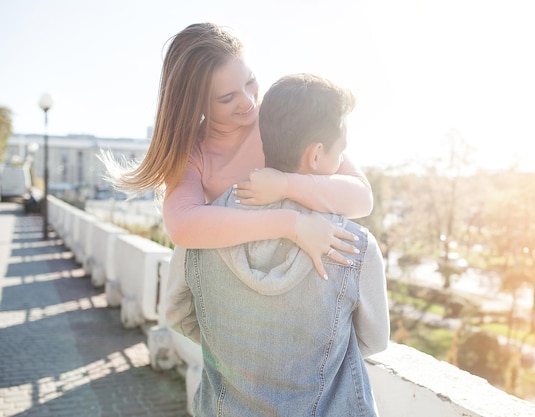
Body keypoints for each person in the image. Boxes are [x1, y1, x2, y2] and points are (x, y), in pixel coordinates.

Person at [170, 73, 389, 416]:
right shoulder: (354, 246)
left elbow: (177, 313)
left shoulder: (202, 231)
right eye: (341, 151)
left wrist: (236, 348)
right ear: (316, 155)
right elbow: (374, 340)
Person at [102, 22, 373, 279]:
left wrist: (286, 185)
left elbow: (361, 198)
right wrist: (292, 225)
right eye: (226, 98)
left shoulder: (284, 115)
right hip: (241, 296)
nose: (247, 102)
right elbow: (183, 226)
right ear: (197, 104)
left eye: (250, 82)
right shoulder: (193, 155)